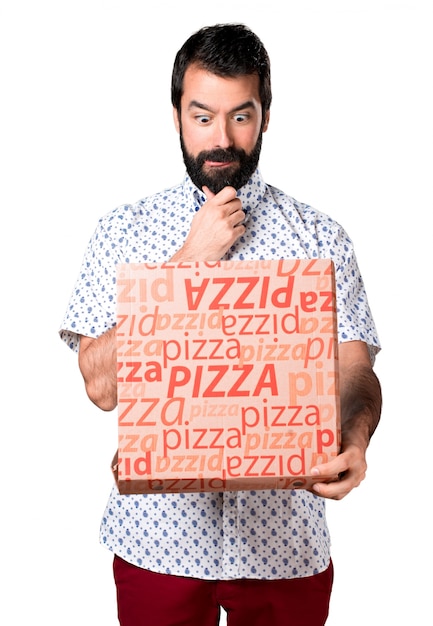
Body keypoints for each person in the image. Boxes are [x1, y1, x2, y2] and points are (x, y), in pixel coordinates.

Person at [60, 23, 382, 626]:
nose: (222, 138)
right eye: (202, 116)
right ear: (176, 114)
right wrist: (188, 264)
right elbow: (101, 386)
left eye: (242, 115)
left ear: (265, 116)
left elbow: (355, 372)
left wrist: (357, 442)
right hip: (156, 545)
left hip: (286, 549)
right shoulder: (122, 231)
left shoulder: (319, 236)